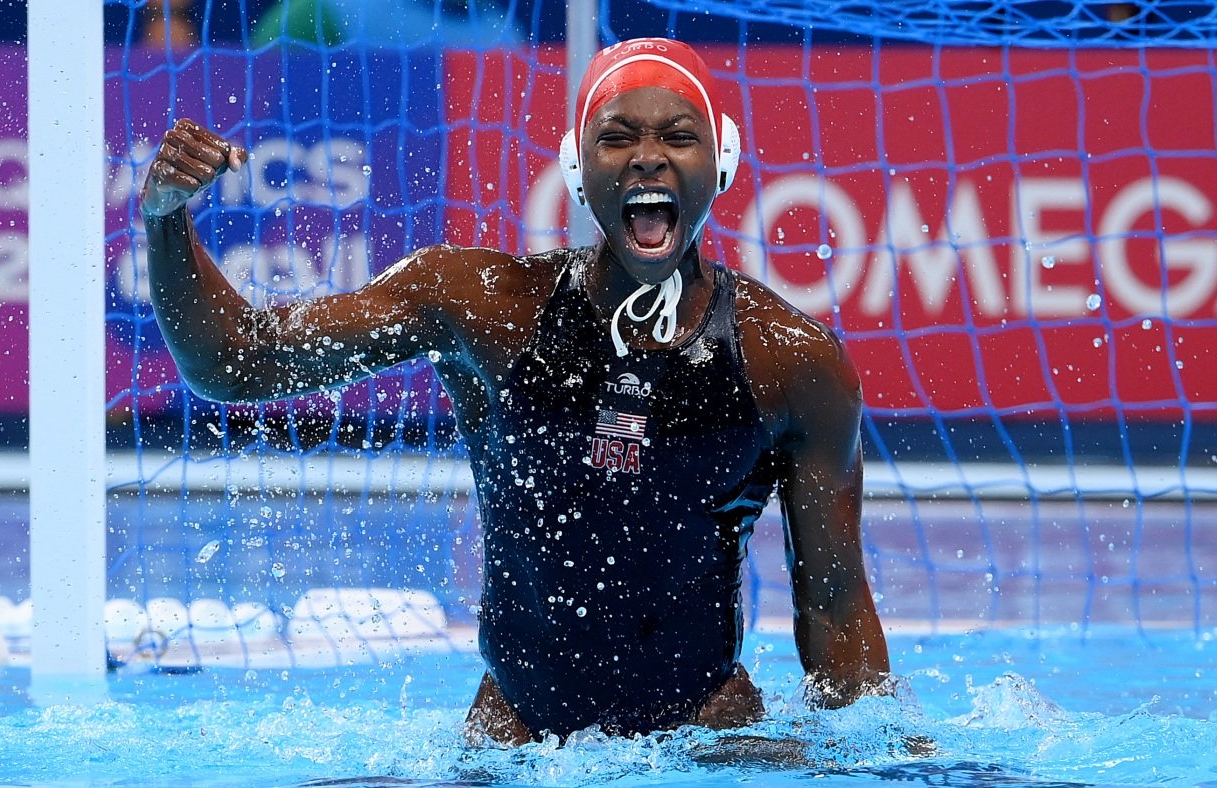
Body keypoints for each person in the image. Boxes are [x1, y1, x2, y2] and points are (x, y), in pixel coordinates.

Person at [140, 37, 889, 745]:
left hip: (709, 749)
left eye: (678, 137)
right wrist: (167, 220)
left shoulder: (789, 361)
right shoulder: (483, 308)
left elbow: (835, 608)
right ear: (576, 166)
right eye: (618, 136)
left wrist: (886, 760)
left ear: (718, 162)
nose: (649, 158)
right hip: (516, 752)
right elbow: (235, 363)